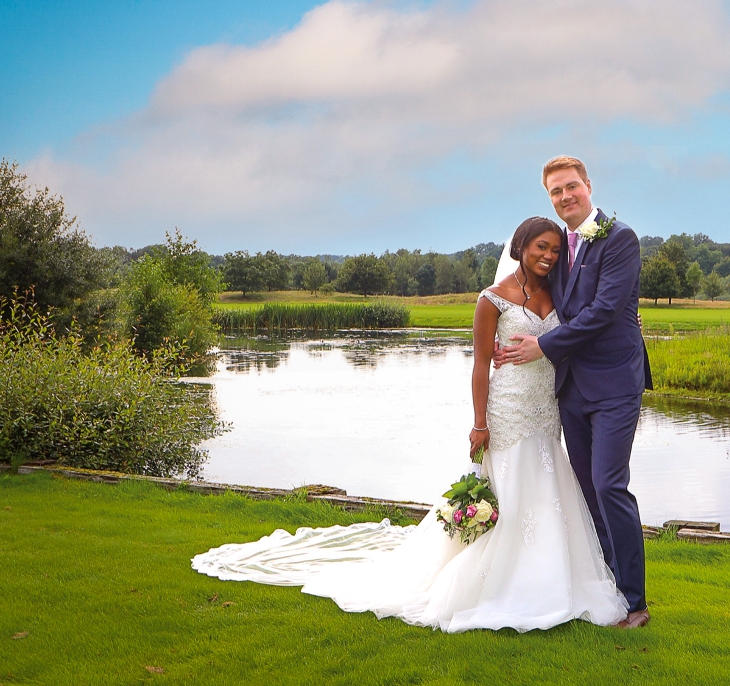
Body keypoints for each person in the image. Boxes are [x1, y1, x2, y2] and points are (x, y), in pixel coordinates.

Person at [190, 216, 628, 633]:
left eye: (554, 249)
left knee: (547, 491)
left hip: (547, 410)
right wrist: (479, 424)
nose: (549, 255)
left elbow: (582, 329)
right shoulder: (491, 297)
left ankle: (553, 581)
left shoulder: (561, 293)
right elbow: (479, 367)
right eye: (540, 247)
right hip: (509, 407)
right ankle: (499, 584)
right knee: (511, 495)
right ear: (520, 248)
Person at [496, 156, 652, 629]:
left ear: (588, 186)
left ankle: (636, 603)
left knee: (609, 484)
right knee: (586, 491)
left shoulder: (619, 238)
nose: (565, 197)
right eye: (555, 192)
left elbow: (605, 310)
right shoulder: (559, 247)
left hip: (614, 382)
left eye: (571, 188)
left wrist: (542, 345)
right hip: (569, 388)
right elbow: (533, 290)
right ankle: (604, 588)